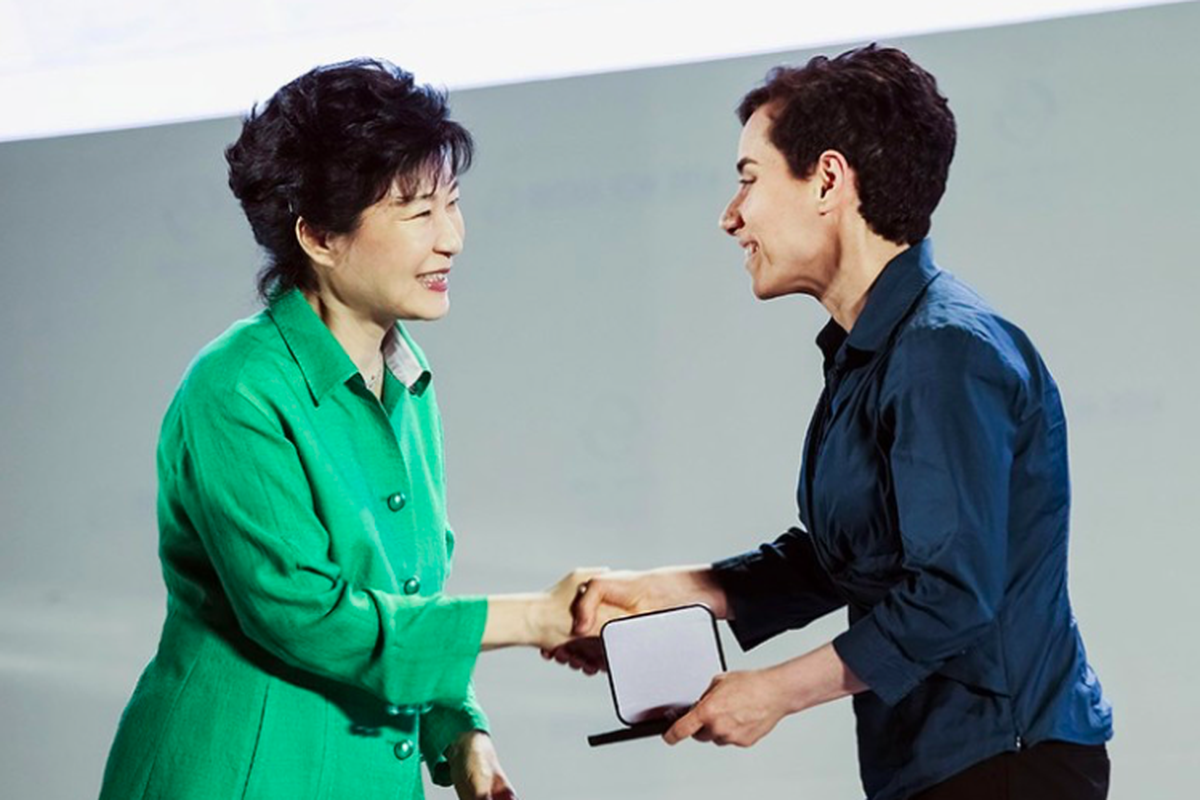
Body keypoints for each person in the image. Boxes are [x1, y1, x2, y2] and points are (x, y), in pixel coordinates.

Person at [566, 45, 1113, 800]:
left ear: (828, 179)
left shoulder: (944, 350)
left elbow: (952, 594)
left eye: (748, 181)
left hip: (1003, 762)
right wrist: (672, 590)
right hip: (934, 767)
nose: (730, 218)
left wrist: (774, 692)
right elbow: (845, 557)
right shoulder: (876, 352)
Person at [99, 59, 613, 800]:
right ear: (318, 236)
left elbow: (404, 601)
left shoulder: (407, 380)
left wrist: (458, 731)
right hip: (239, 777)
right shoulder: (236, 388)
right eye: (417, 213)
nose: (451, 239)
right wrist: (537, 616)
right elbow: (310, 618)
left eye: (453, 203)